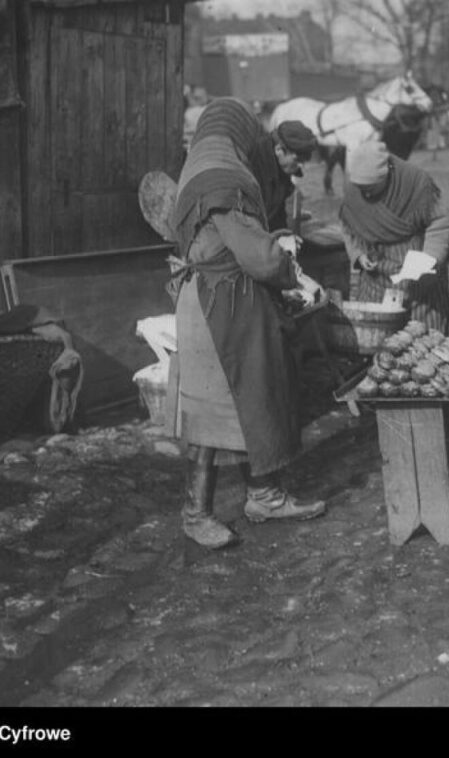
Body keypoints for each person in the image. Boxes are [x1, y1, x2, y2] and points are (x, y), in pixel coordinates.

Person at [166, 98, 326, 550]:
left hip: (214, 302)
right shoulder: (227, 184)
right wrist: (290, 270)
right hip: (220, 311)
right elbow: (259, 257)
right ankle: (196, 514)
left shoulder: (198, 176)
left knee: (242, 408)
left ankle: (263, 496)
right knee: (215, 416)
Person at [339, 140, 449, 332]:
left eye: (371, 188)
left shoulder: (417, 184)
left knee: (424, 340)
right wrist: (358, 254)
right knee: (377, 338)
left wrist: (428, 259)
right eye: (361, 189)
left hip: (419, 279)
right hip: (376, 277)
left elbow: (439, 222)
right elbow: (348, 224)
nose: (365, 194)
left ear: (387, 175)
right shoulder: (353, 190)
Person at [263, 119, 318, 231]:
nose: (301, 166)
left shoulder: (281, 168)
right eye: (298, 160)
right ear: (279, 150)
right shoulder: (256, 171)